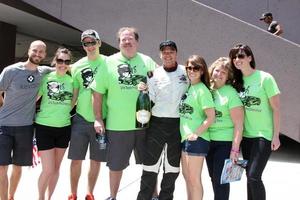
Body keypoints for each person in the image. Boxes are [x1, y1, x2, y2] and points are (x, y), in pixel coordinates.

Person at [91, 27, 157, 200]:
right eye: (123, 40)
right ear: (119, 43)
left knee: (150, 163)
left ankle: (154, 195)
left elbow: (160, 84)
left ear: (137, 42)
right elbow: (97, 93)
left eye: (130, 39)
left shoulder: (147, 61)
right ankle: (113, 196)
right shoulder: (108, 62)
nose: (127, 42)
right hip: (118, 125)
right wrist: (98, 118)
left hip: (144, 124)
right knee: (115, 165)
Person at [136, 40, 189, 200]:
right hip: (157, 124)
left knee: (172, 169)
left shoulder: (186, 72)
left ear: (176, 53)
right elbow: (148, 100)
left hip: (178, 125)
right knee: (150, 167)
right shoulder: (153, 75)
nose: (168, 54)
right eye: (164, 52)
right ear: (160, 55)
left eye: (171, 51)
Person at [229, 43, 281, 200]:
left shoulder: (265, 78)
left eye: (241, 56)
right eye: (234, 57)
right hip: (246, 136)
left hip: (263, 135)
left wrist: (276, 135)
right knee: (249, 177)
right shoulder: (235, 82)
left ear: (250, 57)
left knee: (253, 176)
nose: (237, 59)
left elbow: (276, 109)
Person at [0, 40, 51, 200]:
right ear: (29, 51)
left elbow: (64, 68)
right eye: (35, 50)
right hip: (4, 126)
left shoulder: (43, 72)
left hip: (26, 128)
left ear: (44, 55)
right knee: (2, 168)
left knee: (18, 167)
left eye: (41, 52)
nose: (37, 54)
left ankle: (11, 196)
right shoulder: (11, 70)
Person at [67, 29, 107, 200]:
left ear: (99, 42)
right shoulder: (76, 66)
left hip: (103, 119)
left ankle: (90, 193)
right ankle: (73, 194)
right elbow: (73, 95)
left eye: (92, 42)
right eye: (86, 43)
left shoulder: (109, 62)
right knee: (76, 159)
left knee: (96, 160)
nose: (89, 46)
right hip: (81, 119)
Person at [35, 47, 76, 200]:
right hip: (44, 127)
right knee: (48, 169)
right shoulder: (46, 78)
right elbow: (34, 99)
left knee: (56, 168)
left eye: (66, 61)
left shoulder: (72, 81)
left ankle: (49, 197)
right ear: (55, 61)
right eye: (60, 60)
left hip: (64, 129)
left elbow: (73, 102)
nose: (63, 64)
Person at [206, 57, 244, 200]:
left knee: (221, 180)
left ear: (228, 76)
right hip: (208, 141)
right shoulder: (207, 90)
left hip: (225, 143)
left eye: (224, 72)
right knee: (213, 178)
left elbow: (239, 124)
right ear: (212, 71)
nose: (219, 74)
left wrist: (235, 149)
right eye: (217, 70)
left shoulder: (231, 93)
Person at [179, 55, 215, 200]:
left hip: (197, 140)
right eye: (189, 68)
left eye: (196, 68)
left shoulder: (202, 90)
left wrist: (196, 134)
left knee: (194, 179)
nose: (192, 71)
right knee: (187, 177)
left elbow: (211, 117)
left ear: (202, 71)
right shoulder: (189, 87)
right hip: (185, 138)